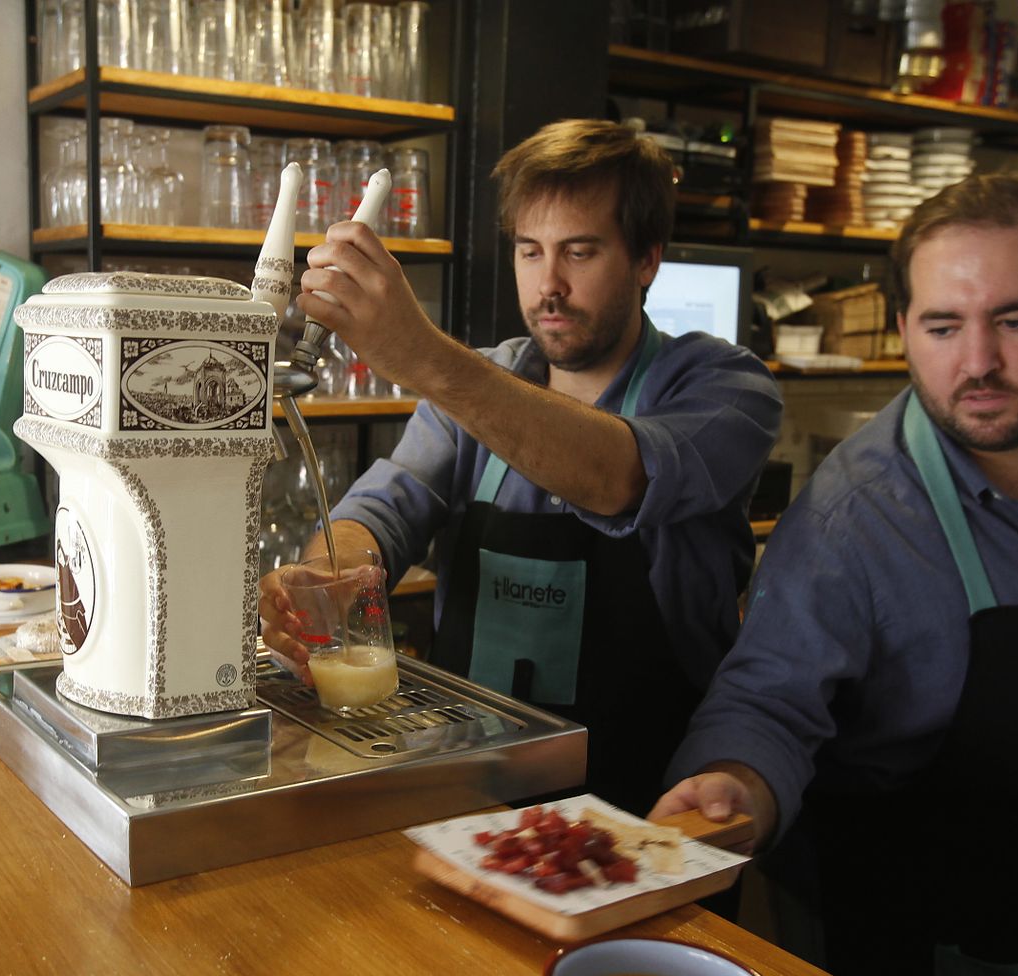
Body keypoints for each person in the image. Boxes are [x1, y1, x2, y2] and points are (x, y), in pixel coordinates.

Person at [651, 173, 1018, 976]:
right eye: (943, 326)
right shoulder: (855, 516)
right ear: (905, 328)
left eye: (1015, 320)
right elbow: (765, 702)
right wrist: (736, 781)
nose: (977, 362)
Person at [260, 119, 783, 816]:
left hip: (647, 803)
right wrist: (329, 574)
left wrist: (420, 353)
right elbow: (383, 509)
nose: (549, 286)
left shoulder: (726, 388)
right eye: (530, 252)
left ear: (647, 258)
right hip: (473, 793)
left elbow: (619, 476)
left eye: (581, 252)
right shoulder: (485, 381)